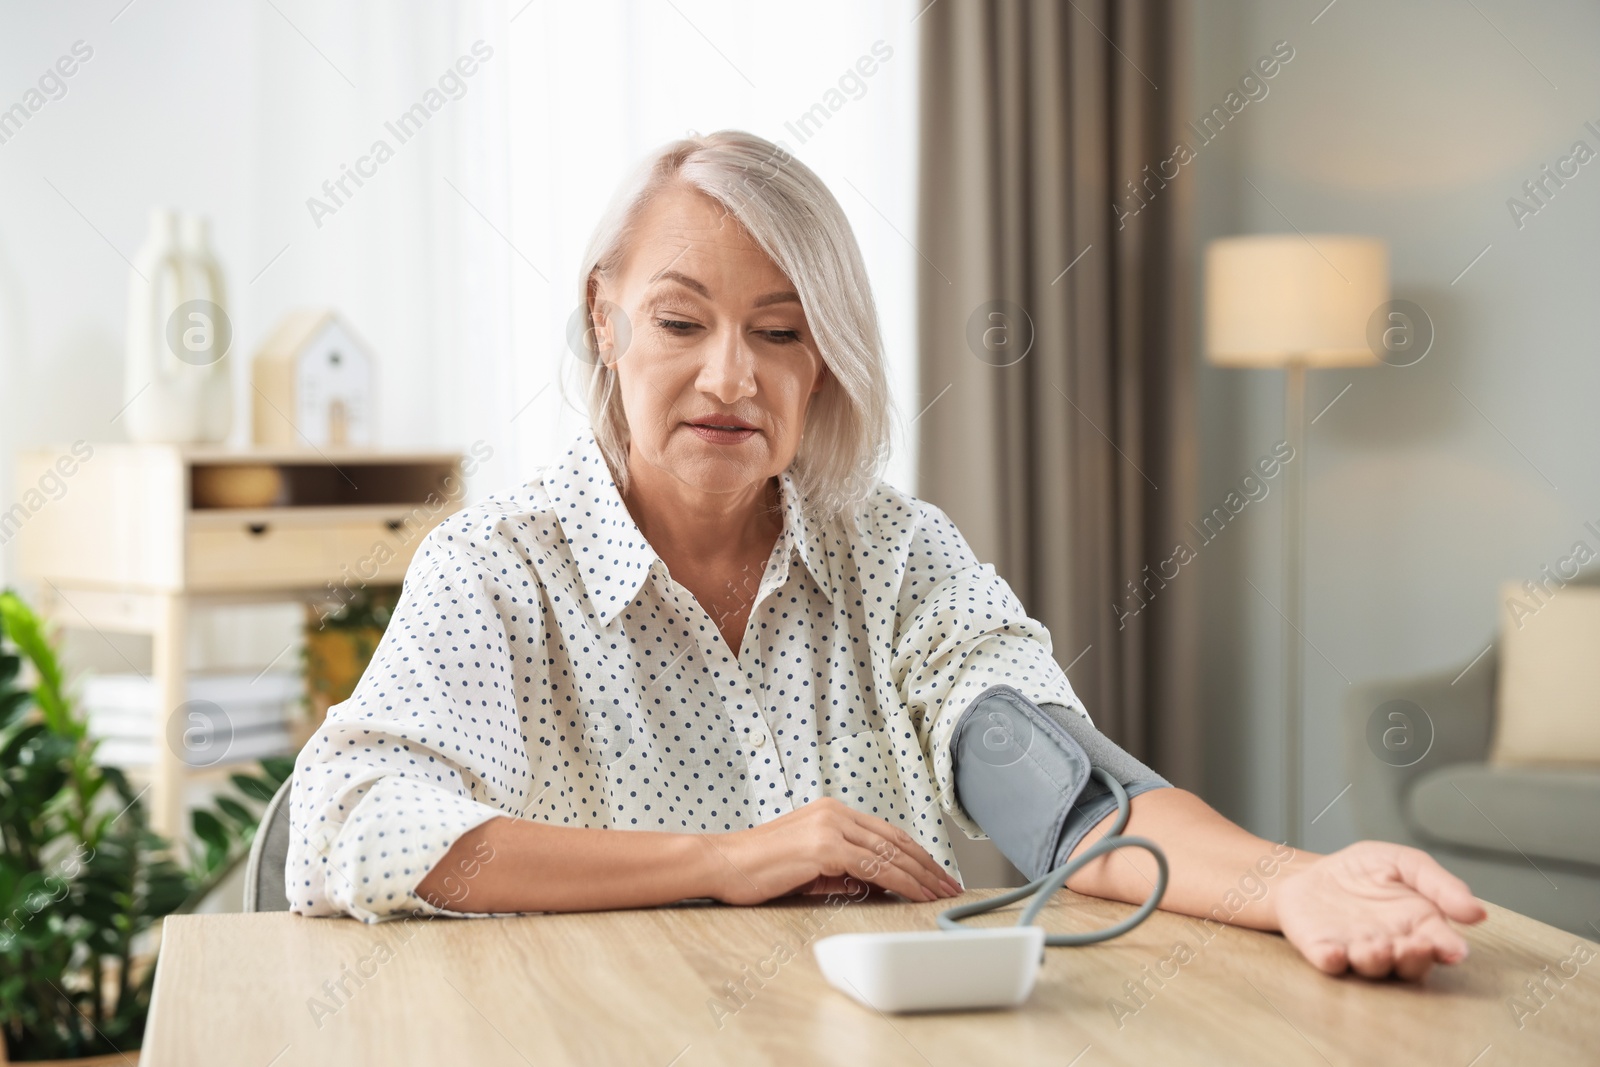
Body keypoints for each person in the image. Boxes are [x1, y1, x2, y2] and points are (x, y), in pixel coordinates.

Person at [286, 129, 1486, 982]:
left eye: (780, 330)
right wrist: (728, 860)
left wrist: (1287, 881)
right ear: (604, 316)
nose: (729, 376)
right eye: (678, 319)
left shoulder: (894, 553)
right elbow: (351, 824)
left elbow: (1064, 796)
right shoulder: (497, 564)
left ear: (826, 360)